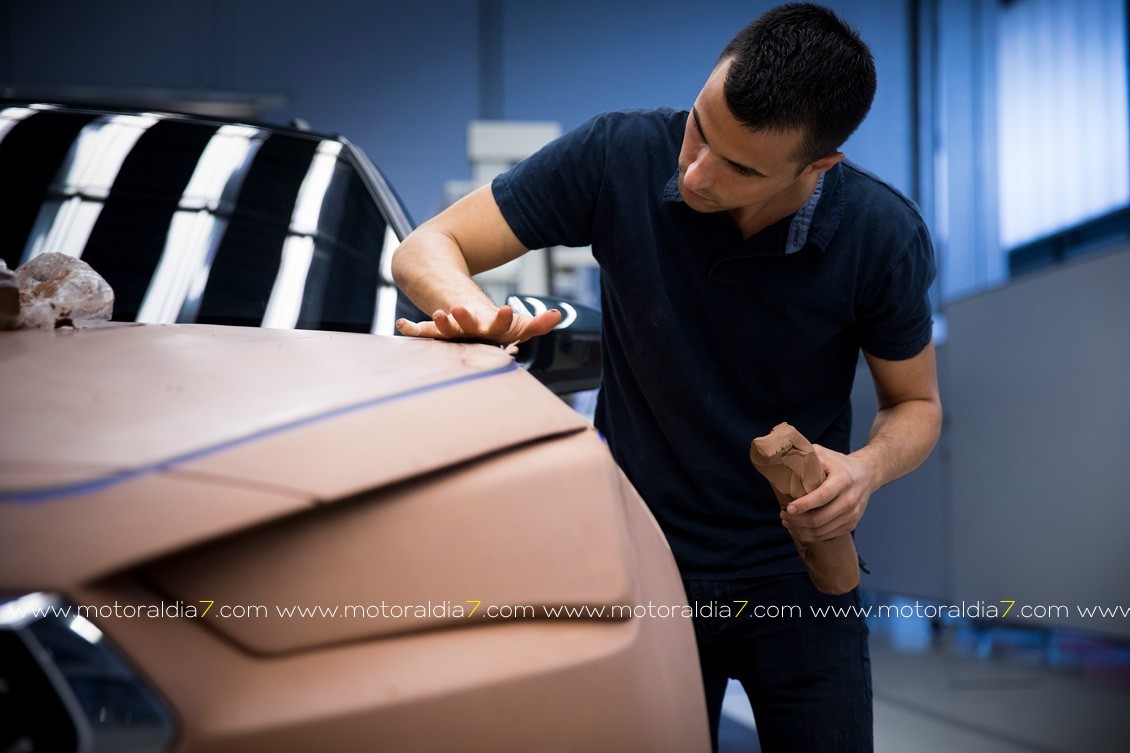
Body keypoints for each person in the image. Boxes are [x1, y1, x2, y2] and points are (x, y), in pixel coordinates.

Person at [391, 3, 942, 751]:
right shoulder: (618, 153)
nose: (695, 170)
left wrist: (865, 471)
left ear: (818, 168)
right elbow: (429, 245)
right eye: (700, 127)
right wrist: (472, 312)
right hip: (641, 561)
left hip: (799, 574)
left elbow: (915, 404)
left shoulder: (881, 235)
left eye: (740, 166)